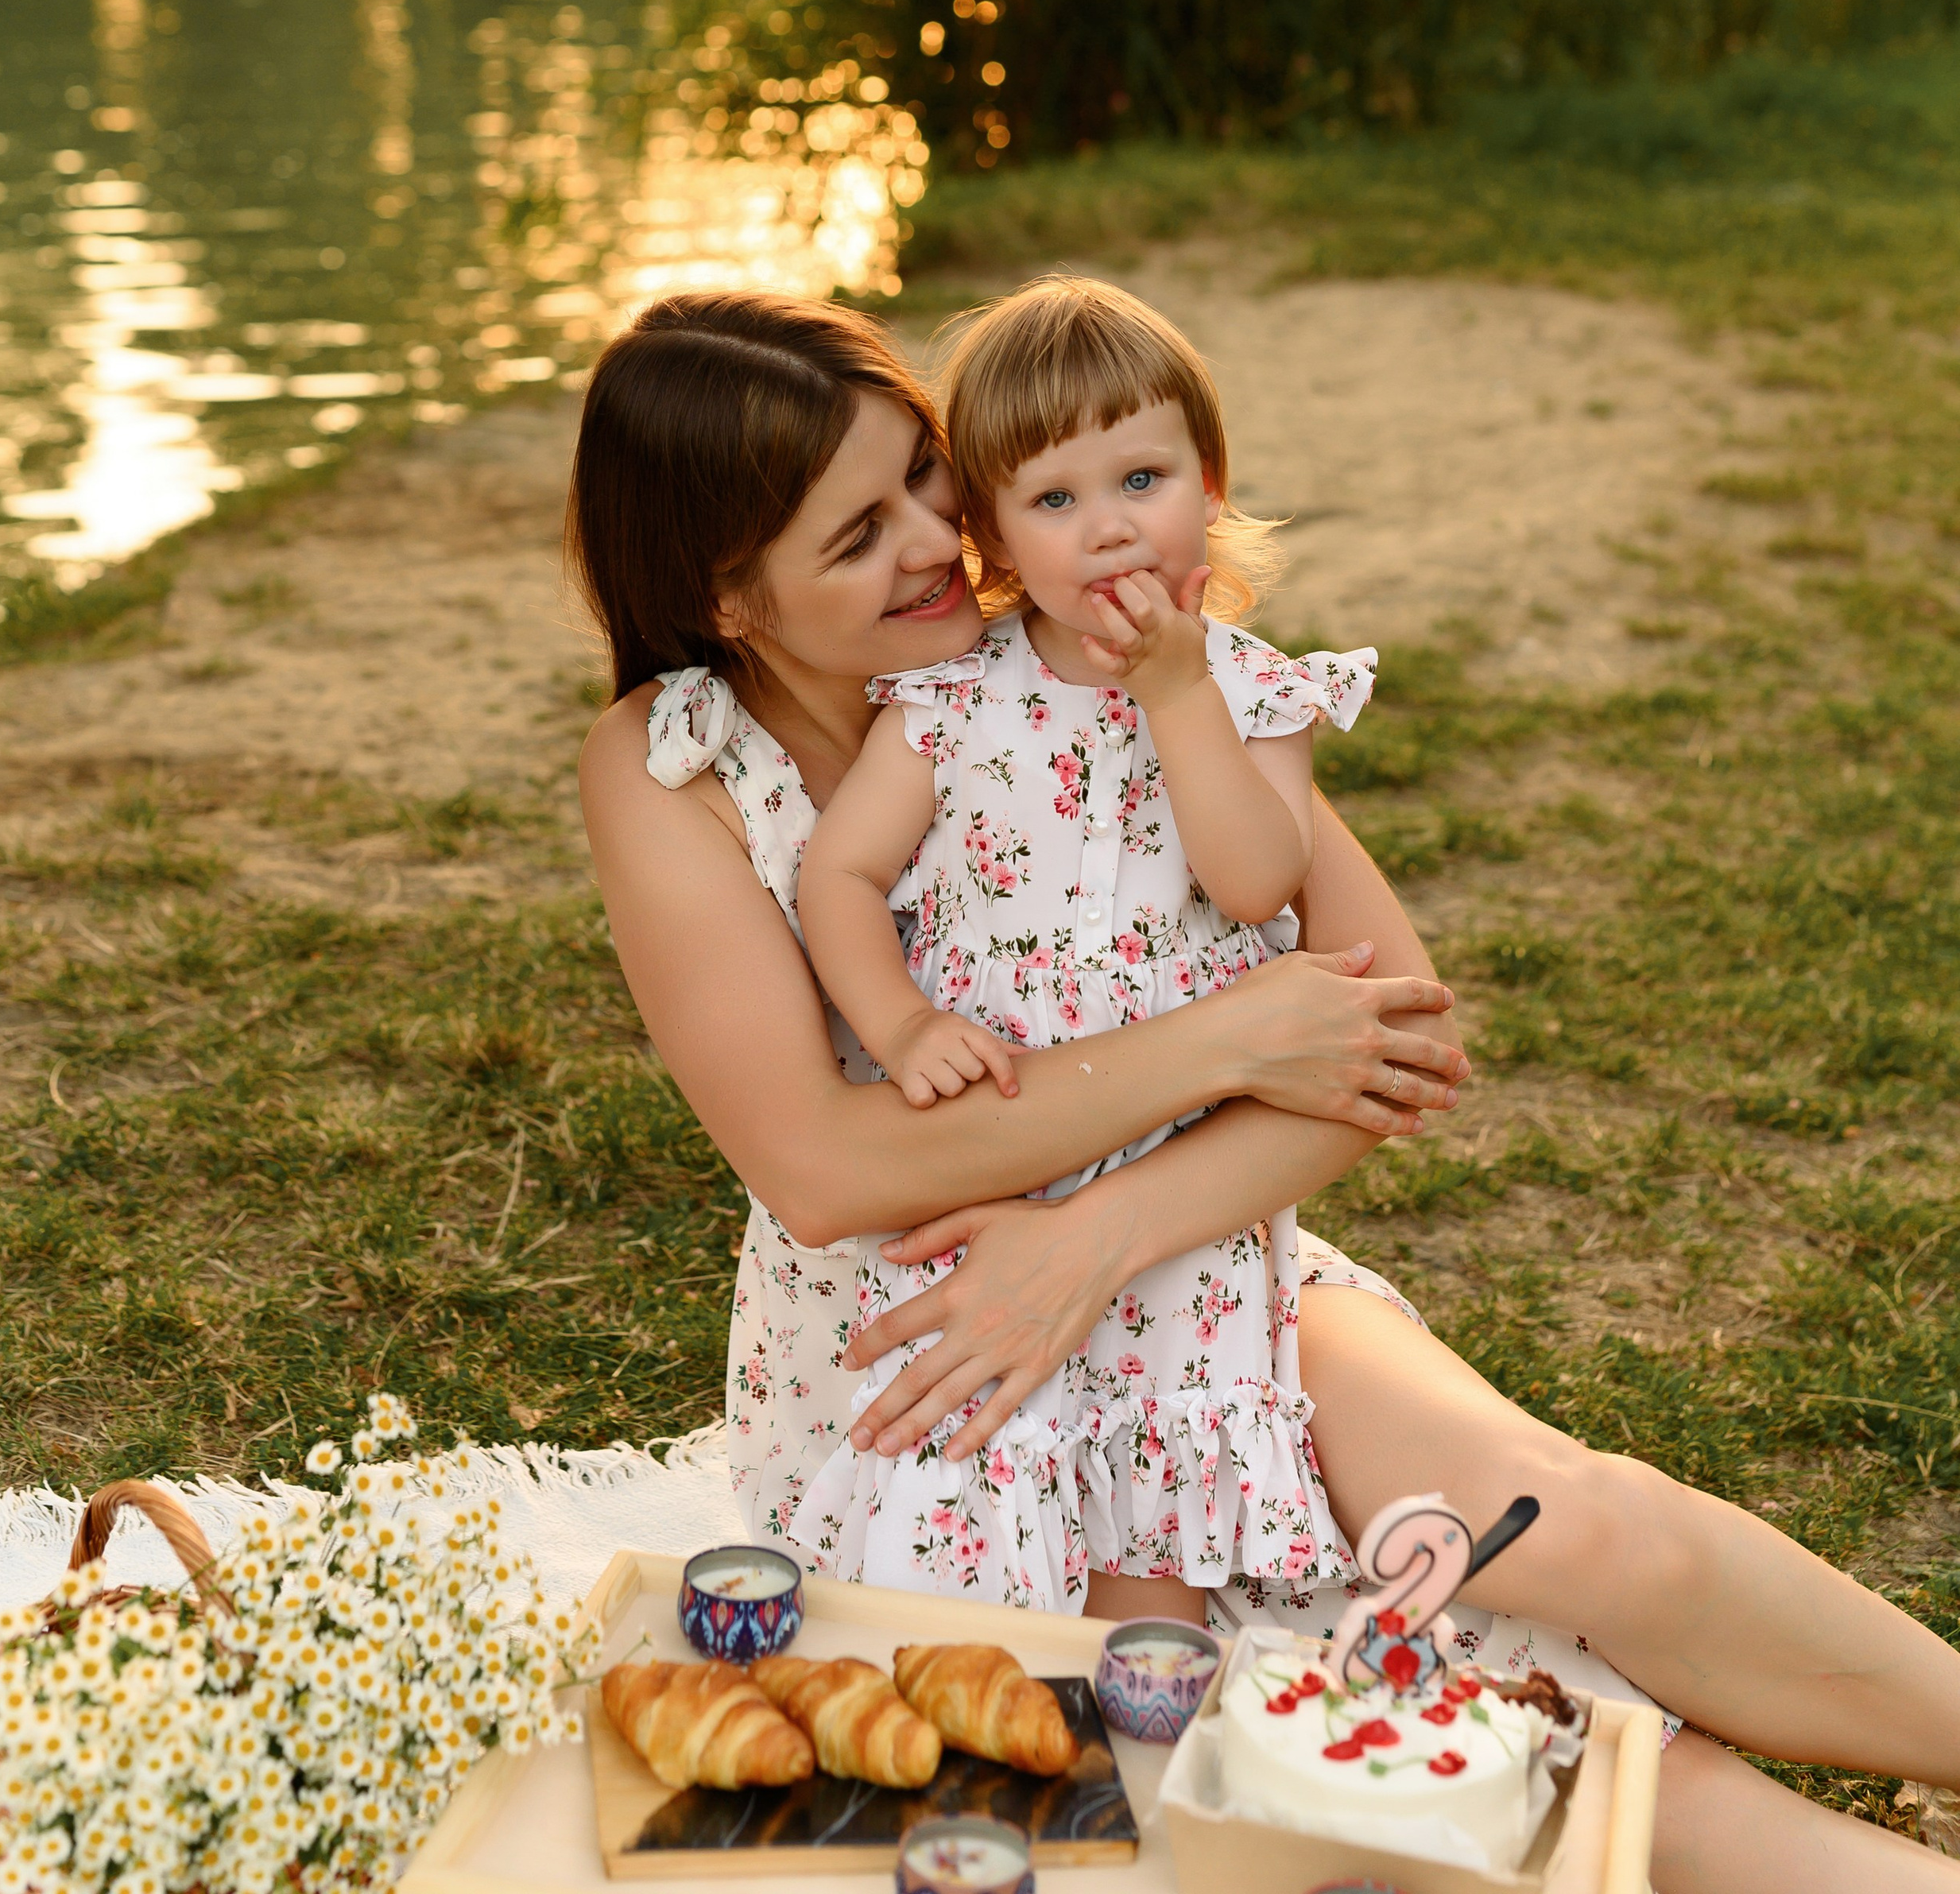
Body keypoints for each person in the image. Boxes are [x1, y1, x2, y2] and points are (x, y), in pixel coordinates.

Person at [575, 287, 1960, 1891]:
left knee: (1575, 1528)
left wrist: (1103, 1228)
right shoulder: (676, 764)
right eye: (849, 536)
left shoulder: (1115, 667)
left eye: (923, 478)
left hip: (1203, 1256)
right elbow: (822, 1165)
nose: (933, 541)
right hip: (928, 1355)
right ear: (727, 599)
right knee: (1317, 1743)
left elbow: (1384, 1024)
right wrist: (1223, 1041)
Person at [791, 276, 1386, 1614]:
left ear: (1211, 479)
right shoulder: (952, 698)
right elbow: (845, 867)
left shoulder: (1249, 689)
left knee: (1151, 1532)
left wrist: (1177, 694)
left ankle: (1138, 1738)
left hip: (1180, 1174)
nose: (1110, 527)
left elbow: (1254, 882)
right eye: (1054, 501)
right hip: (1009, 1135)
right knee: (966, 1476)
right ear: (992, 536)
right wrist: (898, 1023)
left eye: (1143, 475)